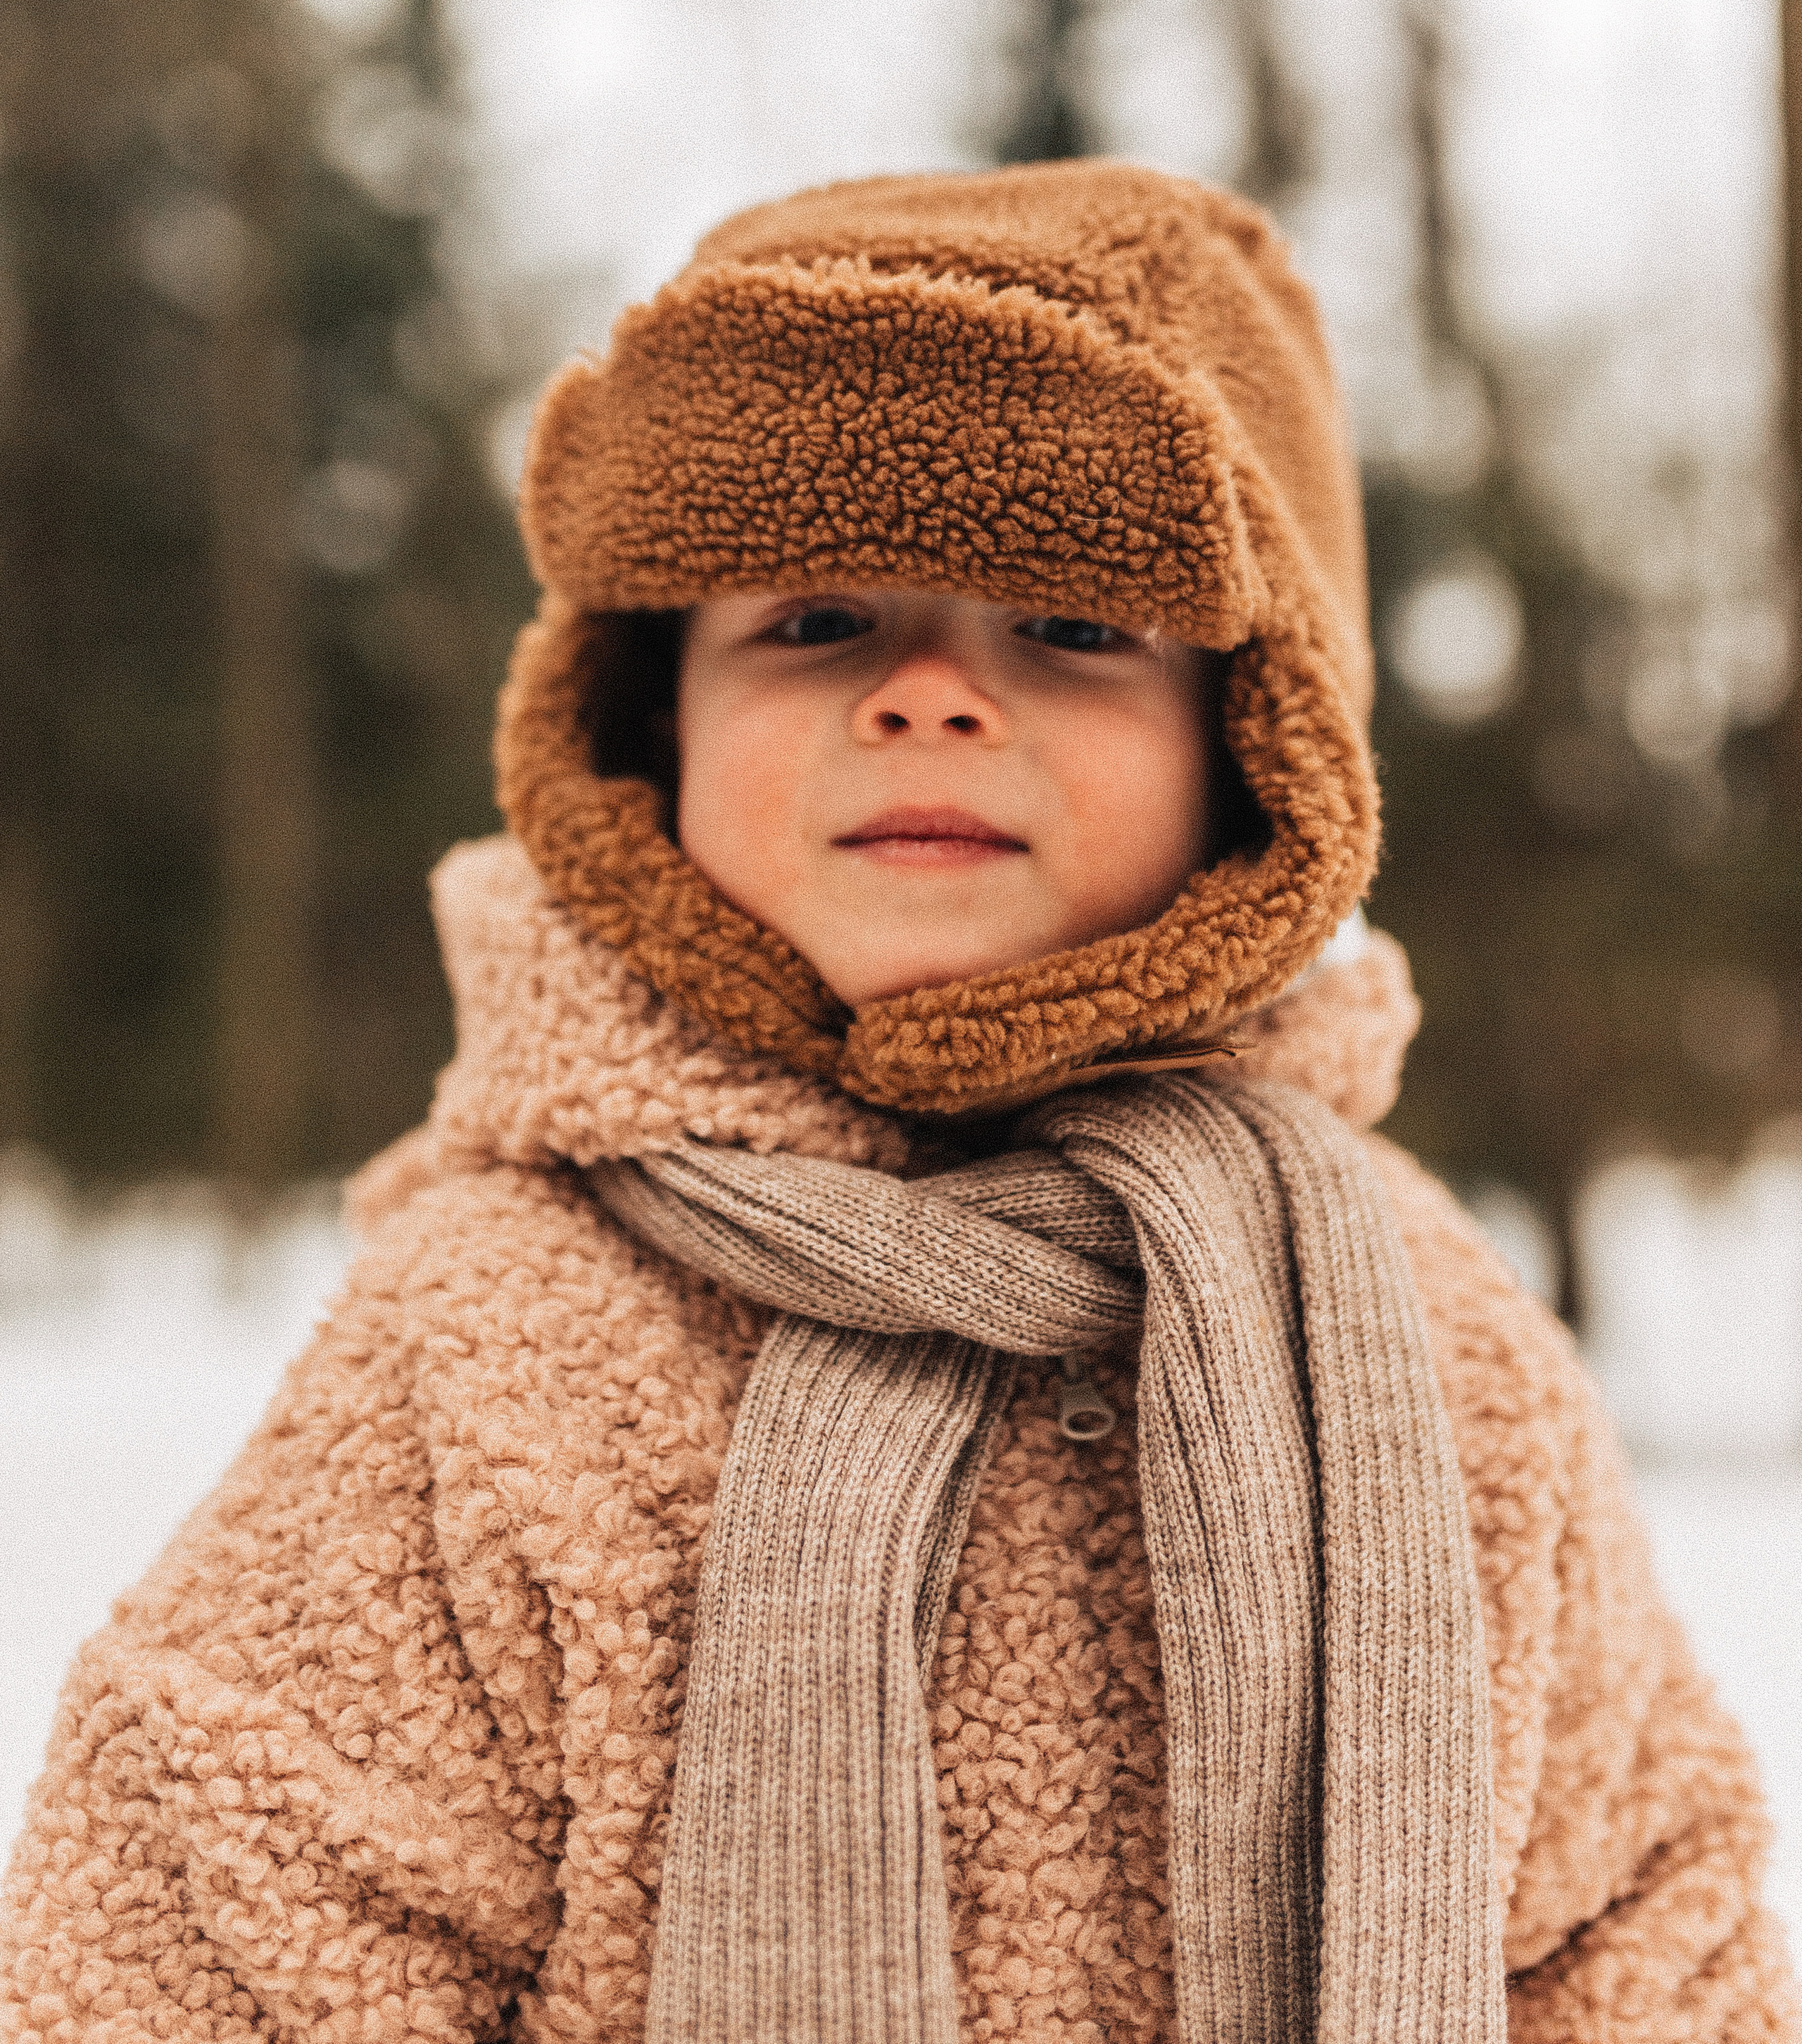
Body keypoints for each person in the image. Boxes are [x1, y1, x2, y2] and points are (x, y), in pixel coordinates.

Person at [3, 161, 1795, 2044]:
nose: (935, 696)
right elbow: (203, 1943)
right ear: (651, 721)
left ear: (1253, 753)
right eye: (818, 620)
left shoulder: (1432, 1360)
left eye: (1076, 626)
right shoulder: (493, 1361)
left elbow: (1643, 1938)